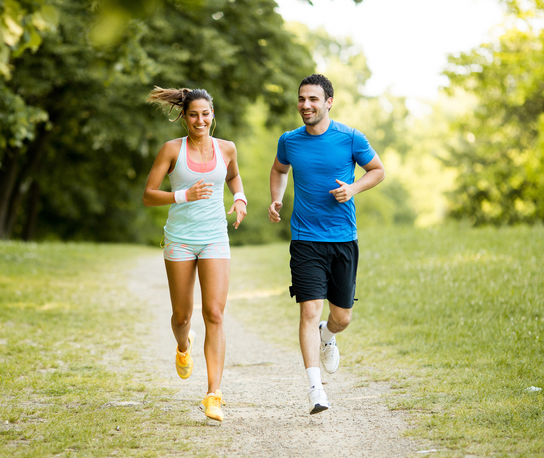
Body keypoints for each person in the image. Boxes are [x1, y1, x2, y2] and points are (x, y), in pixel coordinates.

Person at [268, 74, 385, 414]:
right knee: (308, 310)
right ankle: (316, 390)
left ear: (328, 102)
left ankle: (328, 335)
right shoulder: (289, 141)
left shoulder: (350, 138)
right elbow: (279, 170)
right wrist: (276, 198)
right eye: (302, 99)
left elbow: (377, 170)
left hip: (343, 239)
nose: (306, 105)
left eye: (313, 99)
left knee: (342, 318)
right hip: (305, 240)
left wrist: (353, 189)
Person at [143, 86, 248, 422]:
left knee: (215, 314)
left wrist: (240, 197)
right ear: (184, 117)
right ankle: (183, 345)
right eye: (193, 114)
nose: (200, 120)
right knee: (182, 317)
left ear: (212, 114)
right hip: (181, 240)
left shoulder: (227, 148)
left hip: (215, 237)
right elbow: (148, 194)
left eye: (205, 114)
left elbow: (232, 176)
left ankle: (213, 394)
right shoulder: (172, 150)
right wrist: (183, 195)